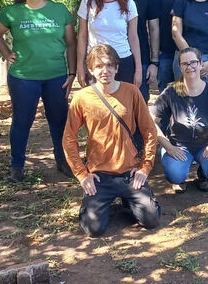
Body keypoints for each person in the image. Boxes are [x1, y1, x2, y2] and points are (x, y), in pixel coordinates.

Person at [0, 0, 77, 182]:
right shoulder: (12, 12)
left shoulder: (59, 10)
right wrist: (6, 53)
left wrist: (72, 72)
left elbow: (71, 43)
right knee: (22, 120)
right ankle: (17, 165)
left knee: (59, 120)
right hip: (23, 77)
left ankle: (62, 161)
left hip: (55, 75)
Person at [62, 44, 160, 237]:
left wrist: (144, 167)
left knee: (151, 219)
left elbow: (149, 130)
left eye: (109, 65)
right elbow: (69, 138)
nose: (104, 71)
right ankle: (98, 205)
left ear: (116, 67)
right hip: (99, 175)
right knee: (93, 230)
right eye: (98, 66)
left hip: (128, 172)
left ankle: (130, 200)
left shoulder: (132, 92)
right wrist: (82, 174)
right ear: (90, 69)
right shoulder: (81, 98)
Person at [152, 47, 208, 193]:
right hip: (179, 146)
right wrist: (167, 145)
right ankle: (179, 179)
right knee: (175, 174)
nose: (190, 67)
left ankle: (204, 175)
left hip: (206, 145)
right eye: (185, 64)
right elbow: (149, 121)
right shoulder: (171, 92)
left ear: (201, 64)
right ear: (180, 67)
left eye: (193, 62)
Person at [76, 0, 142, 89]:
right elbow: (82, 37)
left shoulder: (129, 4)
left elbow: (133, 37)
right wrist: (80, 67)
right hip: (96, 64)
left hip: (123, 61)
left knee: (123, 107)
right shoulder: (87, 3)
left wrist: (138, 68)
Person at [106, 0, 159, 101]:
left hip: (139, 59)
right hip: (108, 59)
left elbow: (154, 28)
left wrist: (154, 62)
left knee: (138, 106)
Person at [150, 0, 190, 93]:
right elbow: (152, 23)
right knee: (166, 95)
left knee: (186, 94)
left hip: (188, 50)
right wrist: (155, 53)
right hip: (165, 51)